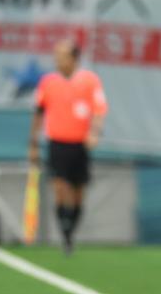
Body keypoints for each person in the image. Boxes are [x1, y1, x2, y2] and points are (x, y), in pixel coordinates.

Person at [28, 39, 108, 255]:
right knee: (60, 189)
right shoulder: (48, 82)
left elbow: (99, 110)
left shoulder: (89, 81)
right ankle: (65, 236)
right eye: (56, 56)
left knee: (78, 193)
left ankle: (70, 231)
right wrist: (33, 144)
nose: (58, 60)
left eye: (62, 56)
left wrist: (94, 132)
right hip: (57, 143)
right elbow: (38, 113)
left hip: (79, 145)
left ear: (74, 59)